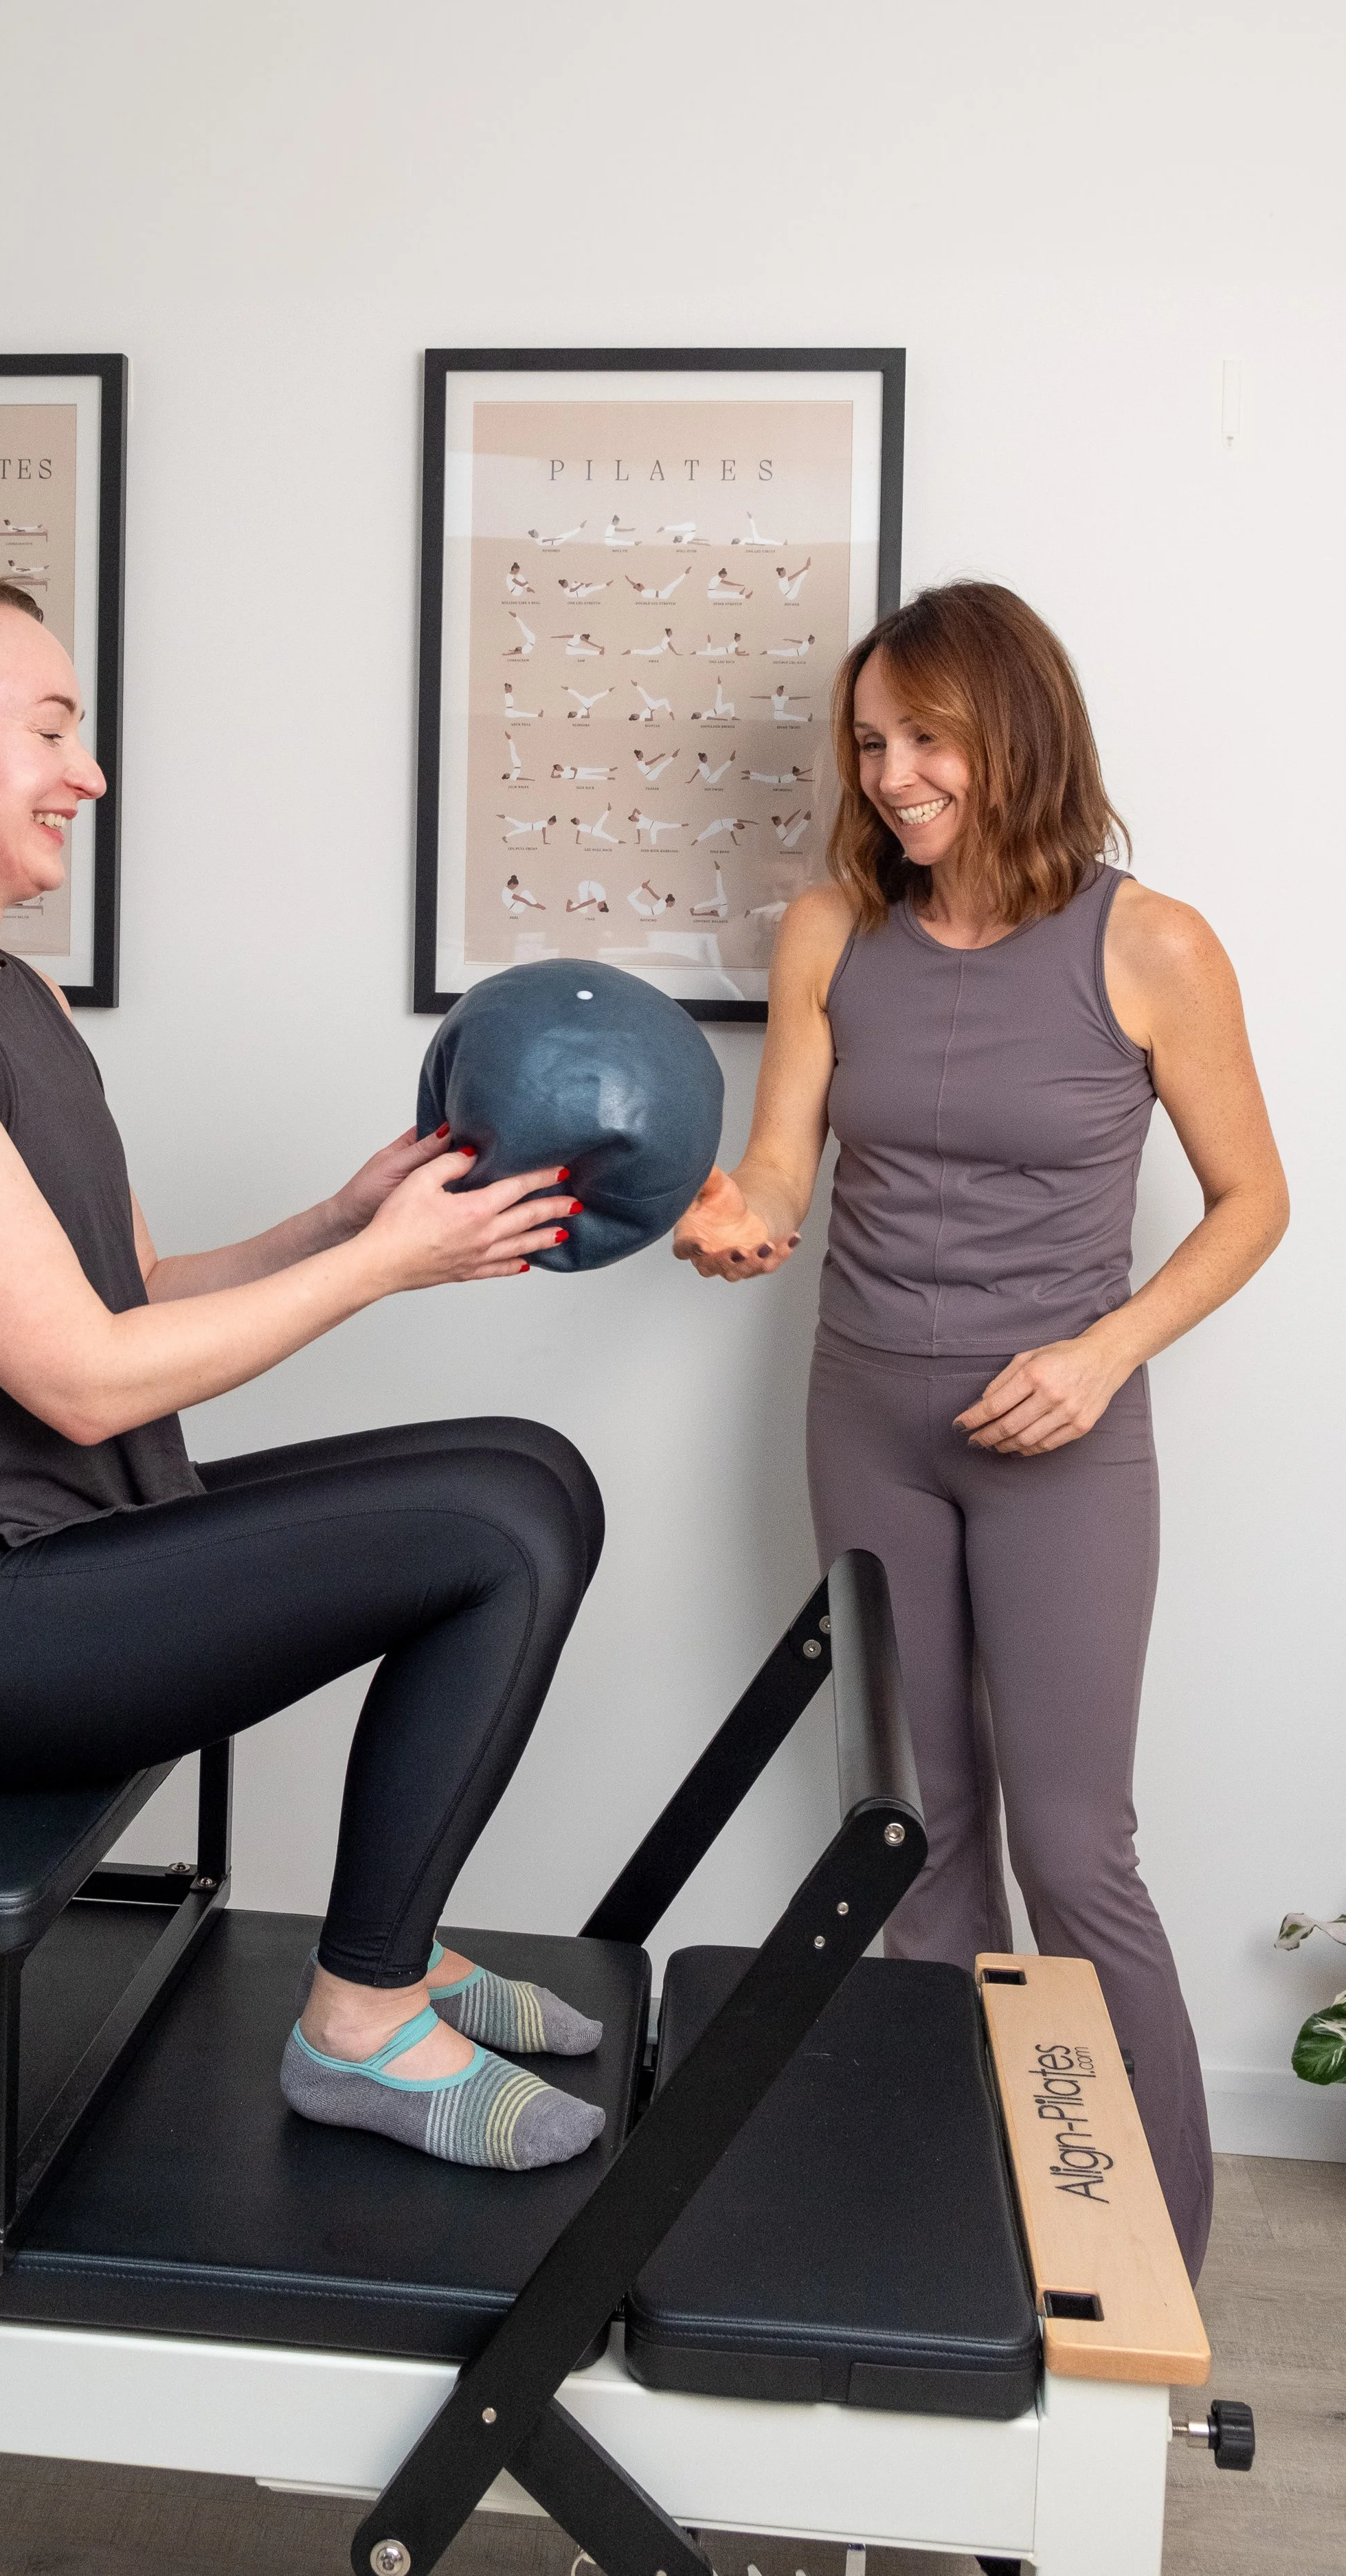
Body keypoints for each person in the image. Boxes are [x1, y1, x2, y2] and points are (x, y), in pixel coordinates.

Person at [0, 563, 605, 2176]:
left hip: (65, 1555)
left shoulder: (11, 994)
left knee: (532, 1475)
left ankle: (393, 1956)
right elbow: (86, 1381)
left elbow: (127, 1291)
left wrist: (333, 1223)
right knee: (492, 1531)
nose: (88, 771)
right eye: (53, 728)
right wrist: (383, 1266)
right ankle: (357, 2027)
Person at [673, 580, 1287, 2280]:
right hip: (864, 1416)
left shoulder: (1147, 943)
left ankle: (1148, 2270)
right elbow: (787, 1157)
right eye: (868, 742)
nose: (890, 774)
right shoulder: (827, 933)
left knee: (1074, 1845)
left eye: (924, 737)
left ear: (1012, 734)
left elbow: (1252, 1205)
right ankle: (961, 2223)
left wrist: (1100, 1355)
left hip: (1059, 1446)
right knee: (914, 1837)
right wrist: (746, 1215)